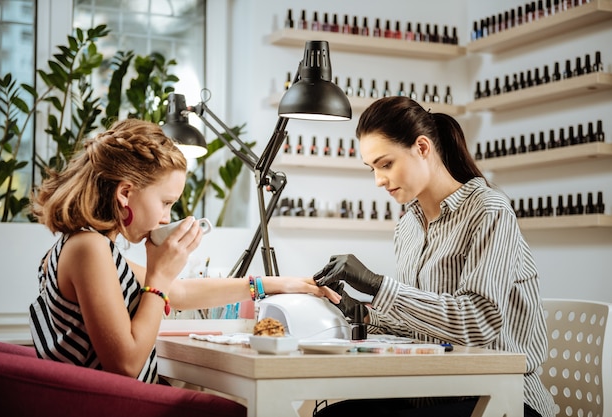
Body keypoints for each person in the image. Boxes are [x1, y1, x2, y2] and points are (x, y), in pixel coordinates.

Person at [29, 119, 336, 390]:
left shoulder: (92, 246)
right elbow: (126, 364)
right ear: (125, 193)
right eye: (166, 202)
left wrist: (274, 284)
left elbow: (180, 292)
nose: (166, 217)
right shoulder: (89, 248)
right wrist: (159, 275)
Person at [312, 97, 555, 417]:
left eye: (386, 164)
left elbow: (478, 321)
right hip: (432, 391)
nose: (378, 180)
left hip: (498, 398)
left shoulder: (489, 211)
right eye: (372, 168)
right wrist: (363, 313)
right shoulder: (408, 227)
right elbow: (424, 325)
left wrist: (378, 285)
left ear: (422, 148)